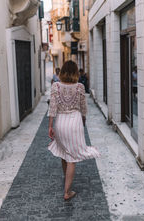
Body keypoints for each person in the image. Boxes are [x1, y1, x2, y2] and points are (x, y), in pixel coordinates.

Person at [48, 60, 100, 201]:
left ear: (63, 72)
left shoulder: (55, 86)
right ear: (76, 72)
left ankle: (67, 179)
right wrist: (83, 120)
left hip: (60, 123)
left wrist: (50, 126)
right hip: (75, 122)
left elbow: (52, 108)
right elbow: (83, 107)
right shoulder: (80, 87)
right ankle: (67, 191)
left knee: (64, 153)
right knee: (72, 158)